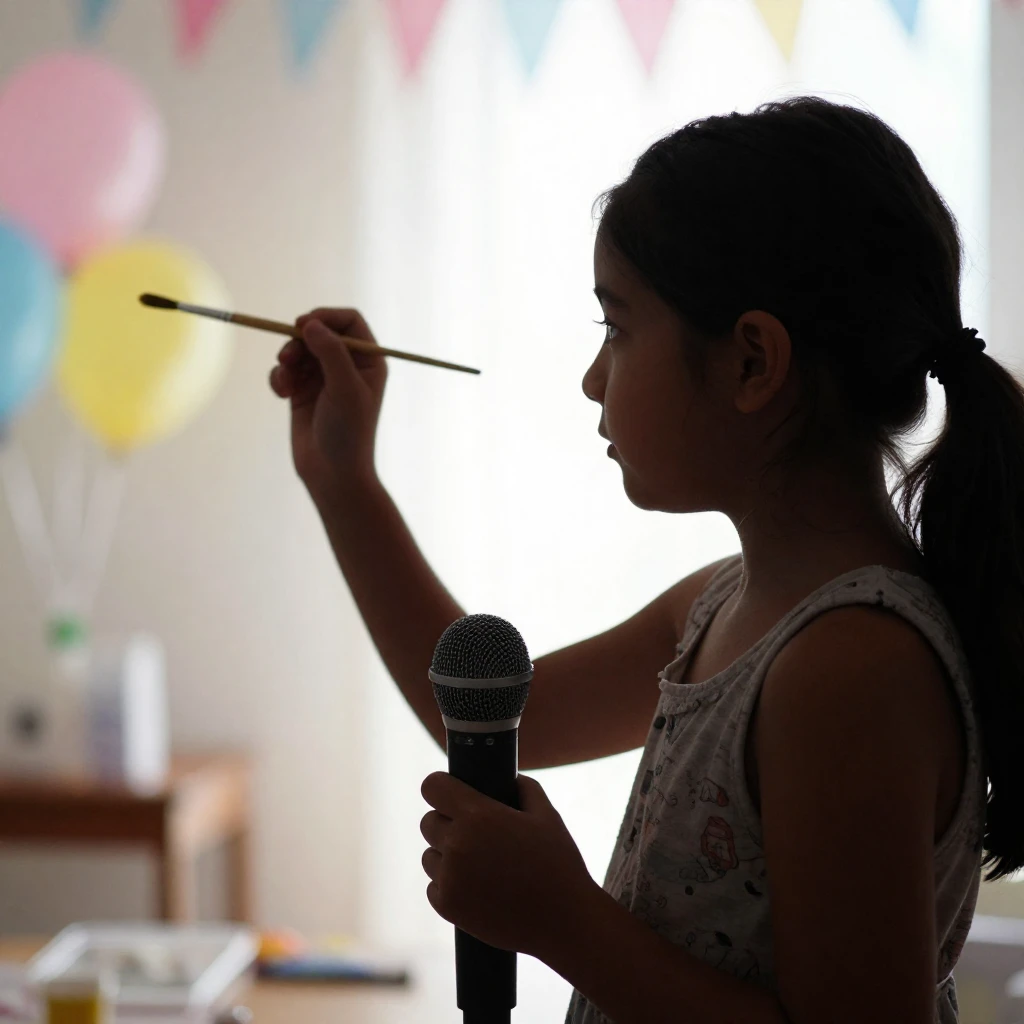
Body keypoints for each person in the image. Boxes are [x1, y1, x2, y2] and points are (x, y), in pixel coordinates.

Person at [268, 95, 1024, 1024]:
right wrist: (345, 481)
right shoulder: (726, 604)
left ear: (752, 362)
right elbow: (504, 717)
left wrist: (565, 922)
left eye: (617, 329)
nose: (594, 378)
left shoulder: (849, 667)